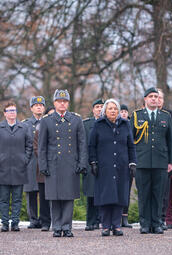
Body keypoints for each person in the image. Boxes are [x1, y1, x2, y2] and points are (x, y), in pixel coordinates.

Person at [38, 89, 87, 238]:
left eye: (65, 101)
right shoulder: (46, 120)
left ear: (68, 103)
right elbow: (42, 146)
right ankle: (57, 227)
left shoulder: (76, 120)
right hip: (53, 164)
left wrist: (82, 163)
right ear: (54, 103)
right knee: (55, 197)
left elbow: (82, 144)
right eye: (59, 101)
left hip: (71, 164)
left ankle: (67, 227)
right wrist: (43, 165)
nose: (62, 103)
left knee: (68, 197)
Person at [130, 87, 172, 234]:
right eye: (151, 96)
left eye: (156, 96)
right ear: (145, 99)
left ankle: (156, 223)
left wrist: (171, 162)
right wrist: (132, 160)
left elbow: (171, 141)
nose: (154, 99)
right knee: (144, 194)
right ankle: (144, 224)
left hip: (160, 161)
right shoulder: (137, 115)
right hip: (142, 161)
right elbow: (130, 140)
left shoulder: (166, 116)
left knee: (158, 194)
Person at [89, 99, 136, 236]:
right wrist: (93, 162)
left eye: (115, 108)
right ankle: (105, 226)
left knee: (119, 195)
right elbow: (92, 145)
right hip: (104, 166)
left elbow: (131, 145)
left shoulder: (125, 124)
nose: (113, 111)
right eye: (110, 108)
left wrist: (132, 163)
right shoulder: (98, 125)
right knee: (105, 196)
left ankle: (116, 225)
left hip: (121, 165)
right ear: (105, 111)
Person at [0, 101, 32, 232]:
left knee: (17, 199)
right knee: (4, 199)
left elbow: (29, 145)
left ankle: (15, 223)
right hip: (3, 168)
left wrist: (25, 159)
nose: (12, 113)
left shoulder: (24, 127)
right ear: (5, 113)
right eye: (9, 111)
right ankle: (4, 223)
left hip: (19, 168)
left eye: (14, 110)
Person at [157, 89, 172, 230]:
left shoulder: (170, 115)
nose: (158, 100)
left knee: (166, 192)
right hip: (152, 158)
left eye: (160, 97)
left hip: (167, 159)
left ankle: (162, 219)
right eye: (155, 97)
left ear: (163, 100)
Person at [23, 96, 46, 229]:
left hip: (43, 162)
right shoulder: (25, 124)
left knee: (44, 192)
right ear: (31, 108)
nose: (39, 107)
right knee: (31, 192)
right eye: (36, 105)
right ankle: (33, 219)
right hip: (30, 163)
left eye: (41, 105)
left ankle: (44, 218)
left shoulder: (48, 122)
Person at [83, 99, 104, 231]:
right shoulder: (86, 124)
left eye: (102, 107)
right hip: (90, 163)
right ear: (93, 109)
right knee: (91, 194)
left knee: (103, 193)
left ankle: (102, 220)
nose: (99, 109)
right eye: (97, 107)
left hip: (105, 163)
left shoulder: (109, 123)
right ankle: (91, 221)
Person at [31, 104, 52, 232]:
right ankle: (45, 222)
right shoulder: (40, 128)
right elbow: (36, 148)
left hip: (58, 167)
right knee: (43, 196)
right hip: (43, 167)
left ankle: (57, 220)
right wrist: (46, 159)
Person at [119, 103, 133, 228]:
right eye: (121, 111)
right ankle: (116, 216)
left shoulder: (131, 125)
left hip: (128, 163)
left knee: (126, 191)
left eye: (125, 111)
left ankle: (125, 217)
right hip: (117, 162)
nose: (123, 113)